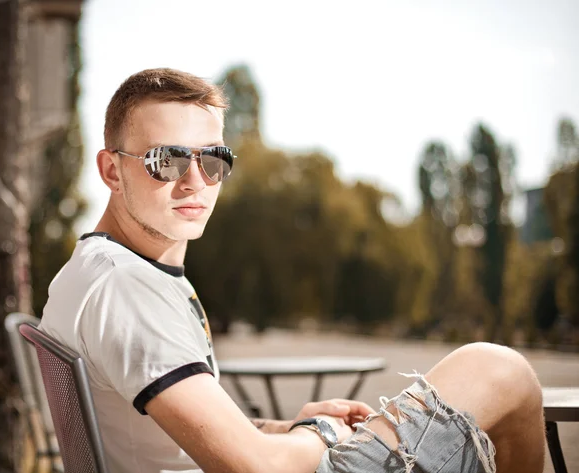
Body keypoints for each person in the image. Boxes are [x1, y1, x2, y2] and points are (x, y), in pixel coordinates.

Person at [39, 68, 546, 473]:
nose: (195, 181)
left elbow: (165, 439)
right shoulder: (126, 287)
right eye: (166, 160)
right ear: (111, 169)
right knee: (501, 371)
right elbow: (254, 468)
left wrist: (287, 428)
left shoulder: (100, 270)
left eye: (213, 160)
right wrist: (323, 436)